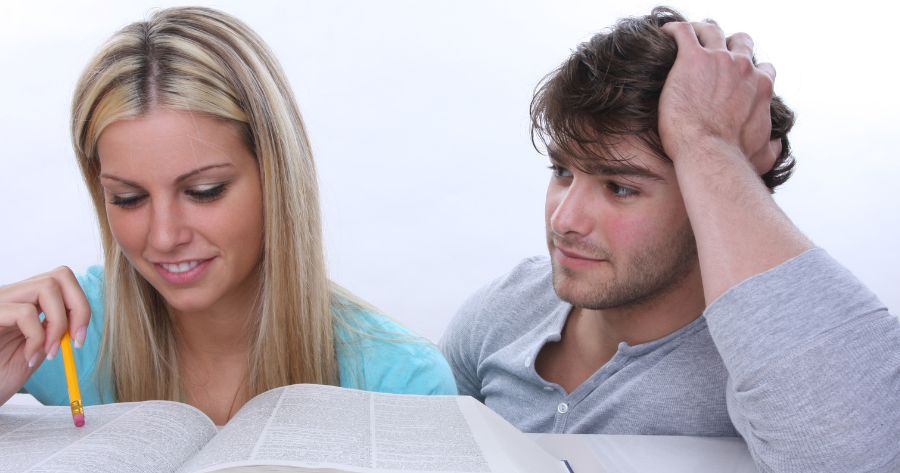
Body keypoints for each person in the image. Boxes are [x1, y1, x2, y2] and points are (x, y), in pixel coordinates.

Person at [440, 6, 899, 472]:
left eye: (620, 187)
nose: (564, 220)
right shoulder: (503, 310)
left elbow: (857, 458)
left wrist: (707, 142)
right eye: (562, 171)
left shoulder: (773, 370)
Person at [0, 6, 455, 425]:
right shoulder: (62, 339)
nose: (164, 237)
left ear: (276, 178)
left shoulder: (401, 382)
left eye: (205, 192)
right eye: (128, 198)